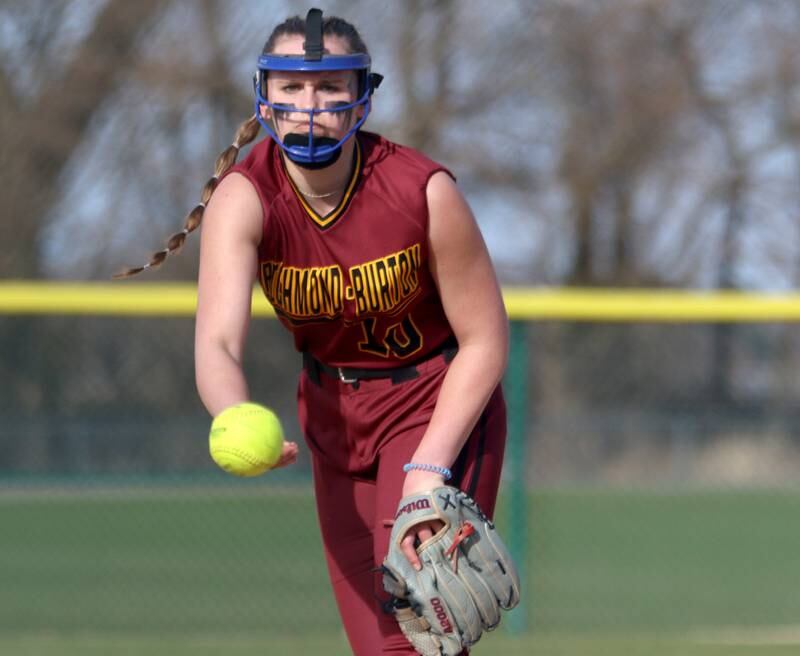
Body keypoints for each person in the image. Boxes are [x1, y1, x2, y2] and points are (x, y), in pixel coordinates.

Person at [117, 8, 509, 655]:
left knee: (413, 646)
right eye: (291, 87)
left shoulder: (421, 190)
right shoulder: (246, 197)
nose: (309, 106)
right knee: (379, 646)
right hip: (333, 420)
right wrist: (233, 413)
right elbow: (216, 343)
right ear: (264, 97)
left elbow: (486, 340)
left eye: (331, 87)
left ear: (363, 98)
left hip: (432, 406)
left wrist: (427, 470)